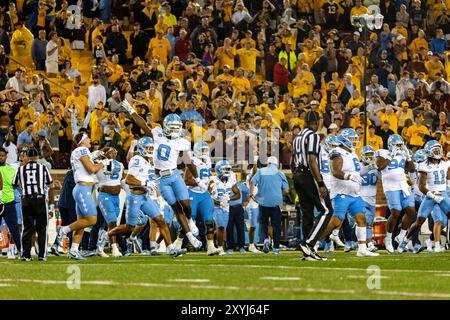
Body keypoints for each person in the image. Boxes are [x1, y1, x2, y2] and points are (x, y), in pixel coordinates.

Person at [121, 100, 202, 250]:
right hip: (162, 179)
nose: (174, 130)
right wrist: (131, 110)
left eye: (176, 128)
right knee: (177, 208)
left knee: (186, 205)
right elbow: (142, 124)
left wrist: (197, 179)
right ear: (165, 127)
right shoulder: (157, 133)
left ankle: (190, 221)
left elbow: (189, 162)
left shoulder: (183, 142)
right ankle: (190, 237)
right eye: (171, 127)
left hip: (175, 175)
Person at [107, 136, 186, 257]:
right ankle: (106, 235)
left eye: (151, 148)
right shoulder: (137, 159)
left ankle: (171, 249)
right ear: (142, 148)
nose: (150, 150)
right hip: (134, 197)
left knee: (160, 220)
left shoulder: (149, 161)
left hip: (145, 197)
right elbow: (129, 179)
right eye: (148, 148)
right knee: (129, 227)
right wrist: (145, 183)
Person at [318, 129, 379, 257]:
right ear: (344, 139)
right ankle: (314, 242)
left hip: (354, 193)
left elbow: (357, 173)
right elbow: (335, 171)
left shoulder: (352, 153)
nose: (355, 142)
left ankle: (362, 248)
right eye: (352, 139)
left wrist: (368, 168)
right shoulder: (337, 153)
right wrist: (348, 176)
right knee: (335, 221)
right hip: (341, 193)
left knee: (361, 219)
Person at [291, 111, 332, 261]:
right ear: (316, 122)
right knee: (327, 210)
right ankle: (309, 244)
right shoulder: (313, 136)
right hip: (309, 174)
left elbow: (292, 160)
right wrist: (320, 182)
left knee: (307, 213)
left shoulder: (297, 137)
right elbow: (312, 160)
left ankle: (308, 252)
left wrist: (296, 176)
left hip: (297, 174)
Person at [58, 132, 105, 260]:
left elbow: (88, 162)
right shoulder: (82, 149)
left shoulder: (81, 151)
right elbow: (92, 169)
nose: (90, 139)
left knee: (82, 223)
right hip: (83, 189)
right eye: (88, 138)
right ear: (83, 141)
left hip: (82, 188)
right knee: (92, 220)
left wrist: (100, 153)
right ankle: (64, 230)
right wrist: (103, 163)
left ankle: (73, 250)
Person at [398, 141, 450, 253]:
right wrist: (433, 196)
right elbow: (421, 186)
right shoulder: (424, 166)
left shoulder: (445, 163)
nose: (438, 152)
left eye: (438, 149)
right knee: (419, 222)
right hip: (430, 196)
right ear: (429, 152)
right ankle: (405, 241)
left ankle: (438, 243)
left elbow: (448, 175)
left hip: (443, 193)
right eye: (435, 150)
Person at [375, 134, 416, 253]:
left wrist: (408, 158)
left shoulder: (403, 154)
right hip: (390, 186)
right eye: (397, 144)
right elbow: (380, 167)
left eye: (400, 144)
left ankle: (401, 235)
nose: (399, 147)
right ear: (391, 144)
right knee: (396, 212)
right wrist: (391, 156)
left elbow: (411, 169)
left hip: (403, 185)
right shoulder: (382, 152)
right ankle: (388, 238)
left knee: (411, 211)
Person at [12, 148, 53, 261]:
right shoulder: (43, 168)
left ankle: (26, 255)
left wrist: (24, 190)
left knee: (27, 228)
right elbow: (49, 183)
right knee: (42, 228)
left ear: (28, 157)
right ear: (37, 157)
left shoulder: (21, 169)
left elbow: (14, 184)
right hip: (40, 199)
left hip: (26, 200)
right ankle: (42, 255)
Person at [184, 141, 220, 256]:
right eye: (202, 150)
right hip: (193, 193)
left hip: (204, 194)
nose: (205, 152)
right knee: (189, 220)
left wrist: (211, 184)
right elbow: (187, 180)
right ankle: (178, 243)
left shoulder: (208, 161)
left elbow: (208, 179)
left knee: (209, 221)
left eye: (206, 150)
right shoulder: (193, 161)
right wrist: (200, 183)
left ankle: (211, 247)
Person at [250, 156, 289, 255]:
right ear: (276, 164)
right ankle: (276, 248)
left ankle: (265, 240)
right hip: (276, 202)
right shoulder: (280, 173)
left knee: (264, 223)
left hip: (263, 201)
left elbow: (252, 182)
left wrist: (251, 194)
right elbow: (286, 190)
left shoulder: (261, 171)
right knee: (276, 226)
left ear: (268, 163)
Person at [94, 147, 124, 257]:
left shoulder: (120, 165)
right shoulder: (99, 164)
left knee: (111, 223)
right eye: (110, 151)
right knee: (112, 222)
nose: (113, 152)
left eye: (114, 150)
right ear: (105, 153)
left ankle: (100, 247)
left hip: (116, 197)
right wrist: (101, 154)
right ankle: (114, 248)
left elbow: (119, 180)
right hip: (105, 196)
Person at [0, 147, 21, 260]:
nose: (1, 157)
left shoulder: (11, 170)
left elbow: (16, 185)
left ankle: (19, 249)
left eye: (3, 155)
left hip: (9, 202)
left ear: (6, 156)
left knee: (14, 228)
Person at [359, 146, 380, 252]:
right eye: (367, 155)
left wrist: (376, 167)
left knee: (369, 223)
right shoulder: (358, 166)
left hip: (372, 199)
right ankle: (367, 243)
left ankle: (367, 242)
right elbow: (358, 173)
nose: (369, 157)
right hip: (361, 197)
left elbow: (382, 175)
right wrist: (370, 167)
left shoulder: (376, 167)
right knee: (365, 221)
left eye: (371, 155)